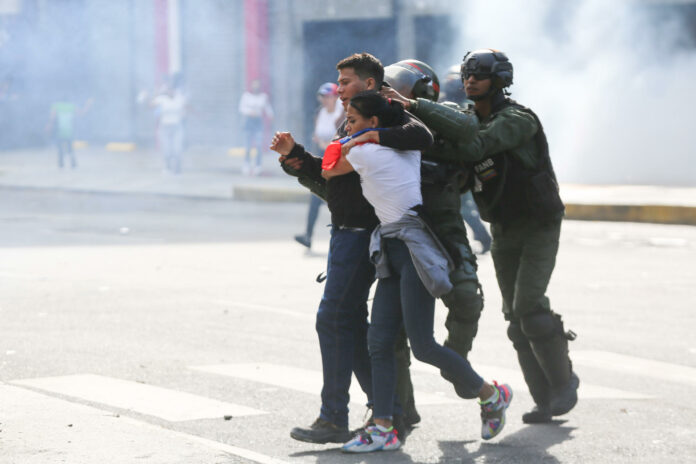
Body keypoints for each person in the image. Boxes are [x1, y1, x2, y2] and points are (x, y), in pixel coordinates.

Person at [320, 91, 511, 453]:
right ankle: (384, 428)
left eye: (355, 120)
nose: (348, 126)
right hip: (393, 246)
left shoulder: (365, 152)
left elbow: (329, 169)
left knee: (422, 345)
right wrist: (369, 131)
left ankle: (492, 394)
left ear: (374, 124)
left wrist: (352, 140)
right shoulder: (403, 146)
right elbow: (416, 131)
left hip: (411, 248)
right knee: (379, 341)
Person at [396, 48, 580, 424]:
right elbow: (446, 146)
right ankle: (544, 400)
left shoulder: (517, 119)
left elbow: (476, 144)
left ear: (499, 80)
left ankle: (564, 384)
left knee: (530, 307)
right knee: (515, 316)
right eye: (467, 74)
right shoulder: (463, 117)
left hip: (538, 223)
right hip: (504, 226)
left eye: (479, 74)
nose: (470, 80)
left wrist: (415, 106)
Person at [270, 52, 431, 445]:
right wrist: (294, 156)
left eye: (345, 82)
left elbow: (422, 136)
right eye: (338, 83)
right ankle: (387, 412)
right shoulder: (350, 121)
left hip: (362, 234)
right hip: (344, 232)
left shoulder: (386, 113)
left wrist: (370, 134)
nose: (338, 90)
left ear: (371, 84)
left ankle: (336, 417)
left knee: (334, 318)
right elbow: (331, 174)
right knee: (351, 324)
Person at [381, 60, 486, 401]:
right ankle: (401, 410)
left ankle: (456, 365)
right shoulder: (384, 124)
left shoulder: (446, 118)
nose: (392, 93)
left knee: (468, 298)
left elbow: (469, 133)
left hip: (446, 229)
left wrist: (414, 108)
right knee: (392, 331)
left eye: (401, 88)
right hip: (403, 234)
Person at [440, 64, 492, 254]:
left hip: (461, 166)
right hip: (448, 166)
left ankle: (482, 239)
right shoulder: (439, 105)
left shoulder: (471, 109)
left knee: (464, 207)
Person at [294, 82, 343, 249]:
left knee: (337, 201)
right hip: (322, 161)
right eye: (322, 97)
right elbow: (316, 136)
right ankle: (308, 235)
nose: (325, 100)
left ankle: (340, 236)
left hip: (337, 162)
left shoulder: (342, 114)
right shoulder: (320, 113)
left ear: (336, 97)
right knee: (315, 198)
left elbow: (341, 139)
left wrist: (325, 144)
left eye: (328, 96)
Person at [239, 79, 273, 176]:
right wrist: (250, 112)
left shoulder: (263, 97)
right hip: (249, 122)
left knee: (258, 144)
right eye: (254, 85)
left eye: (257, 85)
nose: (256, 87)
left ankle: (258, 165)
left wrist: (271, 116)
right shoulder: (246, 96)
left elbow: (267, 108)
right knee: (248, 145)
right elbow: (241, 108)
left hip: (258, 122)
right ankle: (247, 164)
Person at [47, 96, 92, 169]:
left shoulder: (56, 106)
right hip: (69, 131)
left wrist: (49, 126)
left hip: (60, 131)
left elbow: (52, 118)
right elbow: (82, 113)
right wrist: (88, 104)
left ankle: (61, 164)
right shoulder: (72, 106)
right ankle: (72, 163)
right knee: (70, 148)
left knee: (60, 149)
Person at [152, 83, 188, 174]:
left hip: (177, 127)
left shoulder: (179, 99)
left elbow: (185, 108)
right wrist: (157, 93)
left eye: (172, 90)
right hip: (165, 127)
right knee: (167, 148)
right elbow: (151, 105)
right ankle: (168, 167)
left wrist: (184, 113)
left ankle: (178, 168)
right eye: (168, 90)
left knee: (177, 148)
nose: (170, 92)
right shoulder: (162, 99)